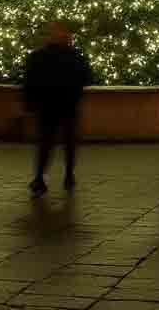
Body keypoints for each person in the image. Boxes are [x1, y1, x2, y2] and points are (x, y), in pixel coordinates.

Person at [24, 21, 93, 196]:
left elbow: (30, 82)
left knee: (46, 143)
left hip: (48, 106)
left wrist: (30, 103)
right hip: (67, 104)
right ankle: (67, 175)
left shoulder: (39, 55)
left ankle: (41, 177)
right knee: (67, 142)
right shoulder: (75, 56)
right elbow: (87, 77)